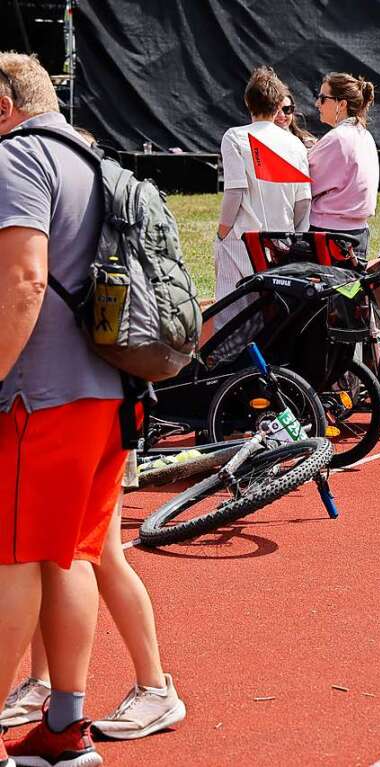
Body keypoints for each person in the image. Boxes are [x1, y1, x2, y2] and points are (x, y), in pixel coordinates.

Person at [0, 51, 126, 767]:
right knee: (69, 555)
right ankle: (68, 725)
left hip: (36, 394)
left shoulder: (18, 160)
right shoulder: (91, 157)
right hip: (104, 386)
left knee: (12, 559)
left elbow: (23, 279)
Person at [2, 493, 186, 740]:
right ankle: (47, 689)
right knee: (57, 552)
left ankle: (155, 689)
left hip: (83, 455)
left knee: (83, 554)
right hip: (97, 454)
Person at [214, 66, 311, 325]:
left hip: (244, 239)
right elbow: (304, 201)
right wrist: (295, 235)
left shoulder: (235, 137)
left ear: (248, 102)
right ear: (279, 103)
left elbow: (235, 191)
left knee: (231, 310)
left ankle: (231, 361)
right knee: (274, 311)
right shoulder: (296, 144)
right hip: (282, 241)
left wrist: (222, 232)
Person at [308, 72, 379, 262]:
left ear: (342, 104)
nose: (317, 104)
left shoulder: (338, 138)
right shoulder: (364, 135)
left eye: (323, 99)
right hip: (358, 233)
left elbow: (304, 184)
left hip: (328, 235)